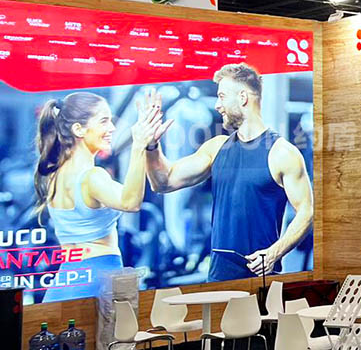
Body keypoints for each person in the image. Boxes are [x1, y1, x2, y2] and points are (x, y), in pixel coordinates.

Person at [143, 64, 313, 282]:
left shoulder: (282, 153)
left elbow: (306, 211)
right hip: (217, 279)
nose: (217, 105)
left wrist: (274, 253)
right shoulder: (216, 148)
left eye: (222, 96)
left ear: (243, 97)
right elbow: (163, 182)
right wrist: (151, 146)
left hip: (261, 280)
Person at [34, 92, 163, 302]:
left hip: (63, 285)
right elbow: (130, 202)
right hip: (96, 282)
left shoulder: (55, 175)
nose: (112, 128)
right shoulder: (92, 177)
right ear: (78, 129)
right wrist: (138, 145)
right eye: (104, 121)